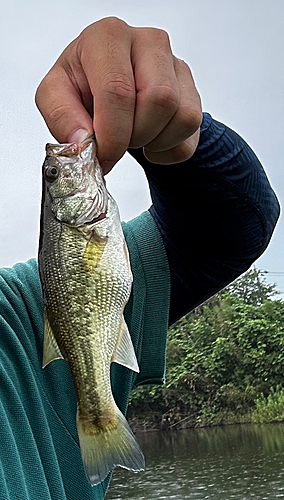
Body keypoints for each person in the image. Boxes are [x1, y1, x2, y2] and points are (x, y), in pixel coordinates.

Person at [0, 16, 280, 500]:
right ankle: (99, 414)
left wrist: (160, 134)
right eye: (54, 178)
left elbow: (235, 225)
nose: (59, 171)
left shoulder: (17, 320)